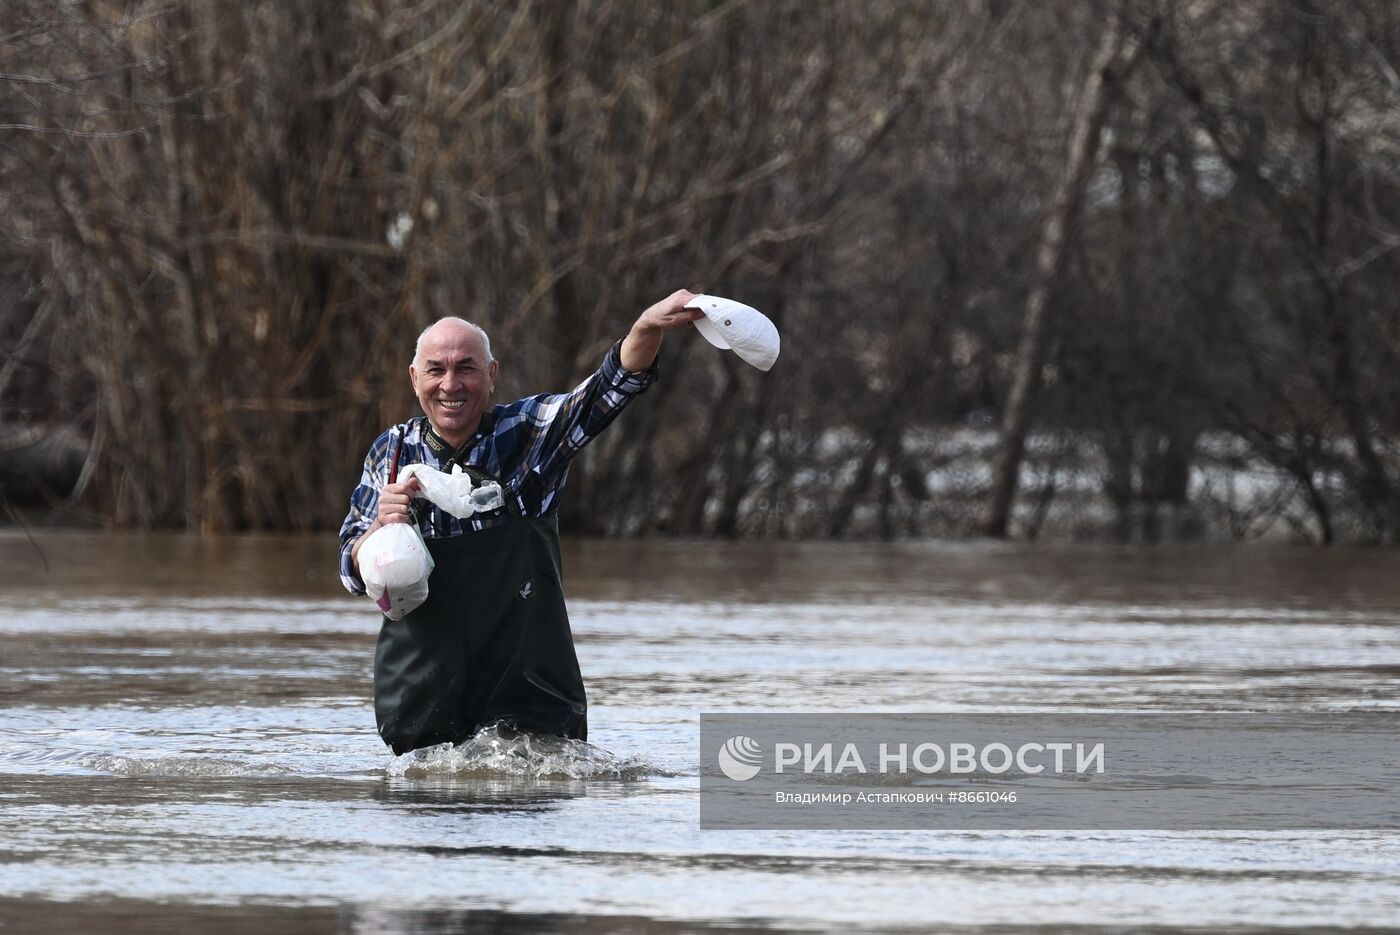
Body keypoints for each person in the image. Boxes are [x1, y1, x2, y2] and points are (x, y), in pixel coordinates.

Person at [338, 290, 703, 754]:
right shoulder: (390, 452)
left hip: (531, 705)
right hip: (421, 703)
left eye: (466, 367)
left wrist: (646, 328)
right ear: (415, 378)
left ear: (491, 376)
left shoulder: (531, 433)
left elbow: (610, 388)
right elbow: (349, 572)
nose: (451, 384)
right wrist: (377, 534)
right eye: (437, 369)